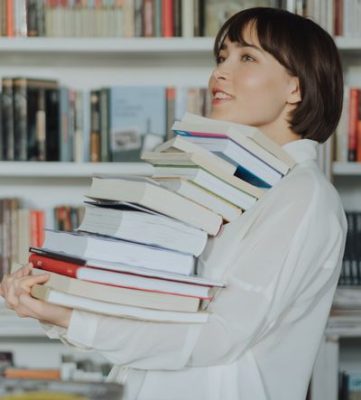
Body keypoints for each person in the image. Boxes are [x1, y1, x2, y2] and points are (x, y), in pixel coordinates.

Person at [0, 7, 346, 400]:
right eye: (221, 57)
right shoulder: (230, 185)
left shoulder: (303, 195)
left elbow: (220, 335)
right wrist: (51, 300)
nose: (220, 72)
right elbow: (154, 312)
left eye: (246, 57)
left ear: (295, 89)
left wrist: (71, 318)